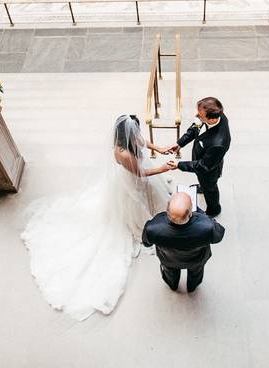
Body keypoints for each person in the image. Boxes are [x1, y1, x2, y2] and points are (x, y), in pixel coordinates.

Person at [21, 115, 173, 320]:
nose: (137, 134)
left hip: (139, 177)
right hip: (130, 182)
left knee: (153, 195)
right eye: (134, 131)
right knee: (134, 207)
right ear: (125, 134)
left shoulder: (132, 137)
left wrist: (160, 149)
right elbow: (139, 174)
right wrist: (162, 168)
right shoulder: (123, 153)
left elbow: (144, 141)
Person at [142, 192, 225, 293]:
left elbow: (146, 243)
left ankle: (173, 285)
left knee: (170, 274)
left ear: (167, 211)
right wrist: (200, 213)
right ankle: (192, 287)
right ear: (190, 213)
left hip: (169, 260)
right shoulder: (207, 227)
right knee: (195, 274)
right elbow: (218, 236)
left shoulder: (153, 227)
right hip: (196, 260)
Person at [163, 97, 231, 218]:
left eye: (200, 114)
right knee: (203, 182)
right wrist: (180, 143)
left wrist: (179, 165)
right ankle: (201, 186)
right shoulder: (214, 115)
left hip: (209, 169)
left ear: (212, 119)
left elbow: (203, 166)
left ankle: (214, 209)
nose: (197, 115)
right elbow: (196, 127)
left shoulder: (218, 143)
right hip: (206, 157)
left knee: (210, 188)